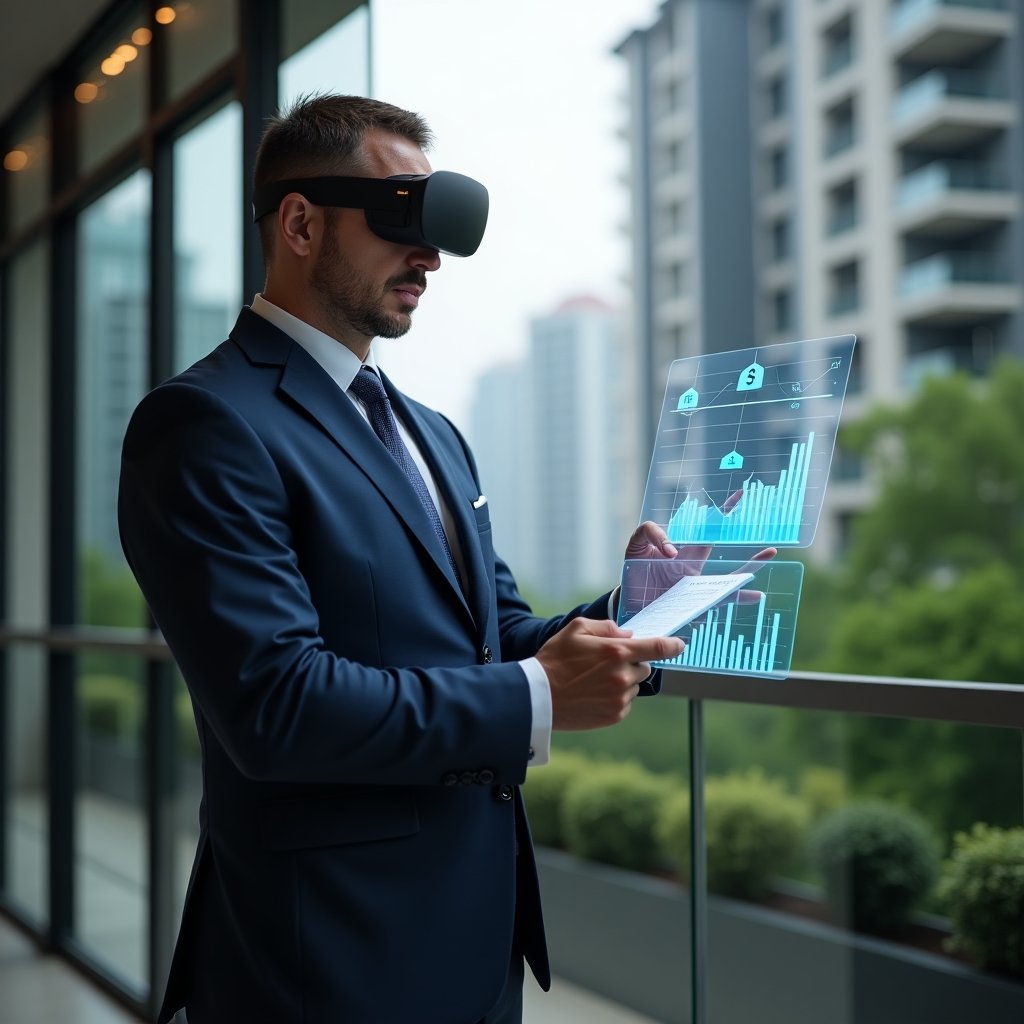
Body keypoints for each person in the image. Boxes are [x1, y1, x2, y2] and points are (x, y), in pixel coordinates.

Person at [118, 93, 686, 1024]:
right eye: (402, 215)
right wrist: (540, 695)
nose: (430, 254)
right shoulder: (204, 425)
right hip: (327, 959)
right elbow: (276, 705)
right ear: (299, 222)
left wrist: (639, 615)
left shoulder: (434, 435)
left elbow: (492, 633)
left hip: (477, 936)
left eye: (439, 225)